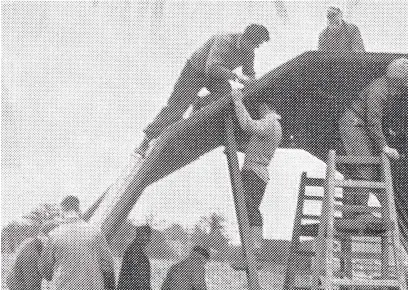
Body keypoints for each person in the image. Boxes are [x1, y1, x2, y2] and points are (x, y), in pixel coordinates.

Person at [135, 24, 270, 157]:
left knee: (225, 92)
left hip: (215, 76)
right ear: (246, 39)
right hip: (195, 71)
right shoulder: (224, 41)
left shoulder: (249, 52)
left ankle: (198, 105)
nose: (255, 49)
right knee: (177, 108)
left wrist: (253, 82)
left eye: (257, 46)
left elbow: (250, 73)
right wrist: (237, 77)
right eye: (255, 45)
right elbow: (211, 68)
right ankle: (146, 141)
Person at [339, 58, 408, 219]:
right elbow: (373, 121)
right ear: (399, 79)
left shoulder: (389, 89)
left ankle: (350, 213)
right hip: (354, 125)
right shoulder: (379, 89)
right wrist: (384, 146)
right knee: (366, 165)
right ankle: (360, 213)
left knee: (357, 169)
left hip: (359, 126)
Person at [230, 86, 282, 253]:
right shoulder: (275, 125)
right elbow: (257, 147)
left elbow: (248, 125)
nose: (259, 112)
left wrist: (238, 102)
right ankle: (254, 245)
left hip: (254, 171)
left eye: (260, 109)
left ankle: (256, 245)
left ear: (265, 107)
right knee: (248, 207)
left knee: (248, 206)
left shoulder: (270, 121)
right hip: (257, 171)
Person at [38, 195, 115, 290]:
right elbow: (108, 265)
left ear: (62, 211)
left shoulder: (54, 235)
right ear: (78, 210)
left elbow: (45, 271)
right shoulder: (96, 232)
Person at [6, 223, 57, 290]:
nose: (53, 241)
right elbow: (33, 286)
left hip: (21, 282)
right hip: (19, 286)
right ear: (41, 235)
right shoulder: (31, 254)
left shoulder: (38, 247)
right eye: (51, 238)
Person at [117, 225, 152, 290]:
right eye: (146, 235)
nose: (149, 239)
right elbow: (137, 279)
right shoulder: (134, 251)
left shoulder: (134, 250)